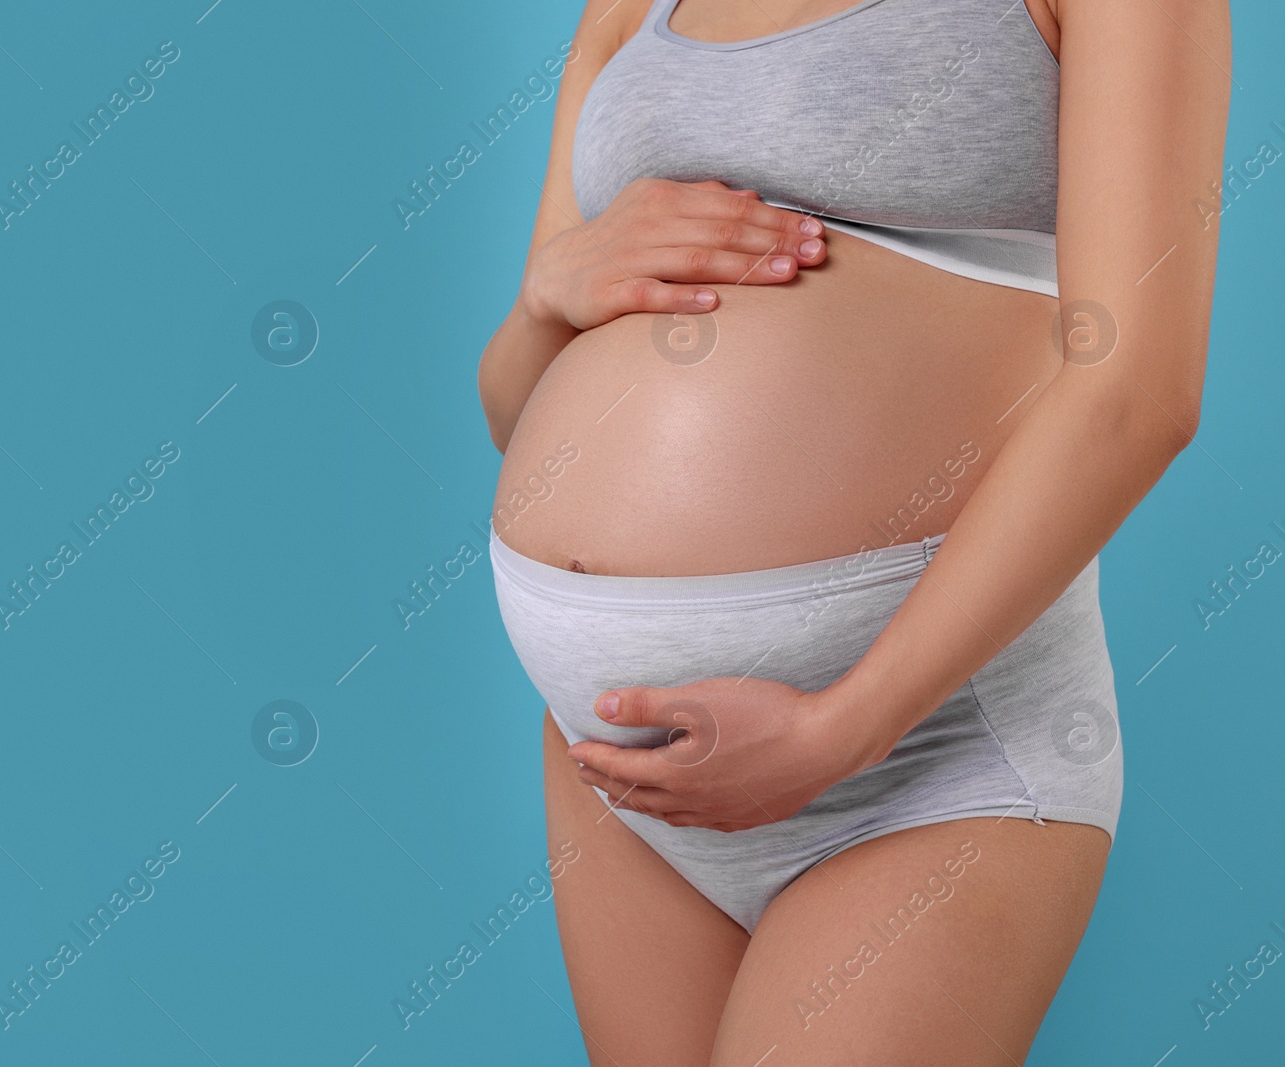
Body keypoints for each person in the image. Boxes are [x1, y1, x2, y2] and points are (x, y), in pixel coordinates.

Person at [476, 0, 1230, 1062]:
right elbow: (515, 410)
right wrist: (547, 295)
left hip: (920, 750)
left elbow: (1137, 393)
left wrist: (845, 727)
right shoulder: (629, 10)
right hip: (617, 758)